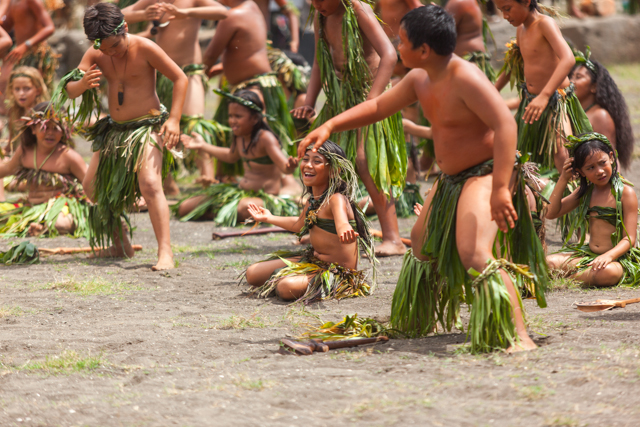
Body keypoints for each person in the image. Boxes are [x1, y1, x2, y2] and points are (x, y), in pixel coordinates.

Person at [300, 5, 549, 353]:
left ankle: (519, 336)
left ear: (423, 50)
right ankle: (423, 318)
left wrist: (502, 190)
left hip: (485, 173)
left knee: (474, 253)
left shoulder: (466, 77)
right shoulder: (419, 78)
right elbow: (376, 108)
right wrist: (330, 125)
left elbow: (506, 126)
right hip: (450, 178)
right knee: (419, 242)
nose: (396, 47)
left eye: (401, 42)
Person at [54, 3, 187, 270]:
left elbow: (180, 78)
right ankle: (120, 243)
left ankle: (165, 253)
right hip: (114, 129)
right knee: (91, 187)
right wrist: (82, 84)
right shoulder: (97, 52)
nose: (111, 52)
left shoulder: (145, 47)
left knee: (150, 183)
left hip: (147, 126)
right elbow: (69, 89)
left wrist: (174, 120)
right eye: (105, 48)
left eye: (115, 46)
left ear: (124, 28)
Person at [292, 0, 407, 256]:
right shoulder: (321, 15)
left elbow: (389, 55)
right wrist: (309, 103)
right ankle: (330, 232)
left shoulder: (358, 10)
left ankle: (393, 238)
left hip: (369, 95)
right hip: (340, 99)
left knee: (367, 163)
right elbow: (321, 62)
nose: (316, 4)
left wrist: (372, 103)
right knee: (331, 164)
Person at [244, 140, 376, 302]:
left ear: (334, 171)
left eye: (317, 161)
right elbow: (299, 224)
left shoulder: (336, 199)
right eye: (306, 159)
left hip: (337, 272)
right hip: (313, 261)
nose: (308, 165)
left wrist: (344, 228)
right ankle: (296, 278)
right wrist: (269, 217)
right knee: (252, 273)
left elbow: (342, 221)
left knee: (286, 288)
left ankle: (301, 281)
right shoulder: (312, 201)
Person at [122, 0, 228, 188]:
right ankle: (167, 184)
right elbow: (120, 15)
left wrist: (184, 13)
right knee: (157, 126)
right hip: (160, 73)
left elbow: (222, 12)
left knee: (195, 123)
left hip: (190, 70)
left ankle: (208, 183)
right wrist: (144, 14)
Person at [173, 90, 300, 225]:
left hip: (264, 198)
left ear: (255, 118)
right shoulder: (240, 135)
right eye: (230, 116)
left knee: (243, 208)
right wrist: (202, 145)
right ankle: (224, 213)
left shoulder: (266, 138)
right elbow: (230, 156)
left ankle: (224, 213)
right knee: (185, 208)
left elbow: (285, 168)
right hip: (239, 192)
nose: (232, 121)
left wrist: (289, 166)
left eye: (238, 116)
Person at [494, 0, 592, 172]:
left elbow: (568, 58)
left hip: (555, 100)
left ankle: (571, 193)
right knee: (519, 150)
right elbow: (514, 63)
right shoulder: (520, 29)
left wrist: (545, 95)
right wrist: (493, 90)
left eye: (507, 9)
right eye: (501, 10)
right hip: (531, 101)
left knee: (561, 151)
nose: (505, 16)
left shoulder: (545, 24)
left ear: (525, 1)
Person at [203, 0, 295, 178]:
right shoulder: (253, 8)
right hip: (257, 83)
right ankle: (223, 179)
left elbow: (210, 54)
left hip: (253, 87)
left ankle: (283, 183)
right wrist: (224, 67)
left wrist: (198, 77)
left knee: (261, 138)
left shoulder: (231, 16)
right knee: (240, 135)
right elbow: (248, 47)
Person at [546, 133, 640, 287]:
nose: (599, 171)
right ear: (581, 172)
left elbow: (629, 239)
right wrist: (563, 178)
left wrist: (608, 256)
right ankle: (579, 274)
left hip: (616, 260)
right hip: (588, 255)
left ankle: (568, 277)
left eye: (602, 163)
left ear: (611, 157)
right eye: (590, 168)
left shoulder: (625, 193)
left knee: (609, 273)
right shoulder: (585, 192)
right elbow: (551, 213)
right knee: (549, 262)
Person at [0, 102, 89, 238]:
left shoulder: (68, 157)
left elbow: (90, 184)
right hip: (30, 206)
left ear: (64, 130)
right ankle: (39, 225)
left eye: (56, 128)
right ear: (33, 129)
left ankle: (44, 227)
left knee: (61, 223)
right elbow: (6, 169)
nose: (50, 133)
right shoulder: (25, 152)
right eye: (45, 127)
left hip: (61, 208)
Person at [569, 49, 635, 170]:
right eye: (571, 77)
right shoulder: (576, 112)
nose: (571, 82)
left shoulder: (600, 115)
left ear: (594, 86)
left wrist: (612, 186)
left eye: (578, 77)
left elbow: (610, 156)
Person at [0, 66, 49, 202]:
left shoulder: (43, 115)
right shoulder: (14, 112)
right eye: (17, 89)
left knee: (15, 183)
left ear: (38, 90)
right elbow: (10, 145)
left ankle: (2, 200)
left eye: (27, 89)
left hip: (36, 167)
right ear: (11, 91)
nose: (22, 93)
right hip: (17, 163)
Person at [0, 0, 57, 113]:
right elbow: (7, 25)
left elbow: (50, 27)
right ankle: (15, 125)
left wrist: (26, 45)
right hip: (19, 53)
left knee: (35, 99)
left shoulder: (32, 1)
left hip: (34, 53)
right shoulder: (13, 3)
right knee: (10, 94)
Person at [445, 0, 496, 82]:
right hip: (477, 60)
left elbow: (443, 33)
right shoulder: (472, 1)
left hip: (467, 61)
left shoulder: (458, 2)